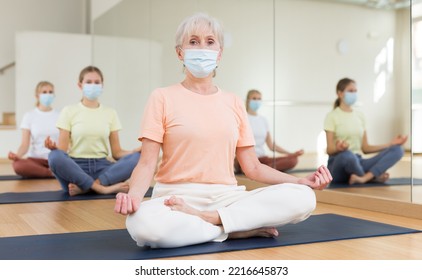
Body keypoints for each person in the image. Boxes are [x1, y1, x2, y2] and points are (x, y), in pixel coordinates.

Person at [114, 13, 332, 249]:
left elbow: (253, 168)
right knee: (142, 225)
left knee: (304, 198)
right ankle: (231, 229)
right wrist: (134, 197)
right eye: (193, 41)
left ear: (219, 53)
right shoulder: (162, 97)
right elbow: (147, 163)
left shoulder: (234, 102)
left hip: (227, 198)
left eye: (210, 42)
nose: (202, 48)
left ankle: (214, 220)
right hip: (176, 198)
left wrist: (300, 180)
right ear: (180, 52)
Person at [45, 66, 141, 196]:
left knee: (138, 157)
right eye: (88, 82)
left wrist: (134, 151)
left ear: (102, 85)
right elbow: (62, 151)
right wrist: (54, 148)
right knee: (54, 157)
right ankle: (102, 188)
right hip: (76, 169)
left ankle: (87, 187)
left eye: (97, 82)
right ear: (80, 85)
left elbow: (117, 153)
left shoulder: (110, 113)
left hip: (102, 168)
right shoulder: (68, 111)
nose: (93, 85)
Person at [324, 77, 407, 185]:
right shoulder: (332, 116)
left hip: (358, 162)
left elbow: (366, 148)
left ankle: (363, 177)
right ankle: (371, 178)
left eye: (355, 91)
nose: (353, 94)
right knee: (347, 155)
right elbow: (329, 149)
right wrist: (339, 148)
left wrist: (391, 144)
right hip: (338, 163)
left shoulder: (360, 116)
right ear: (340, 93)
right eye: (350, 91)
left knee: (398, 150)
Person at [241, 89, 304, 173]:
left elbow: (271, 145)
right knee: (248, 165)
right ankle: (259, 170)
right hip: (248, 160)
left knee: (293, 160)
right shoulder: (243, 118)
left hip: (262, 159)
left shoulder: (263, 120)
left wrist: (291, 154)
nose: (257, 101)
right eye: (254, 98)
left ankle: (261, 170)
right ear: (248, 100)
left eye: (259, 99)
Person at [8, 81, 59, 178]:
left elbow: (66, 142)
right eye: (44, 92)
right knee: (18, 165)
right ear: (37, 95)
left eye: (50, 92)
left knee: (77, 163)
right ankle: (51, 173)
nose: (48, 94)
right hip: (35, 160)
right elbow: (24, 144)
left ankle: (50, 171)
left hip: (56, 159)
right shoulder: (29, 116)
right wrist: (17, 156)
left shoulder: (60, 115)